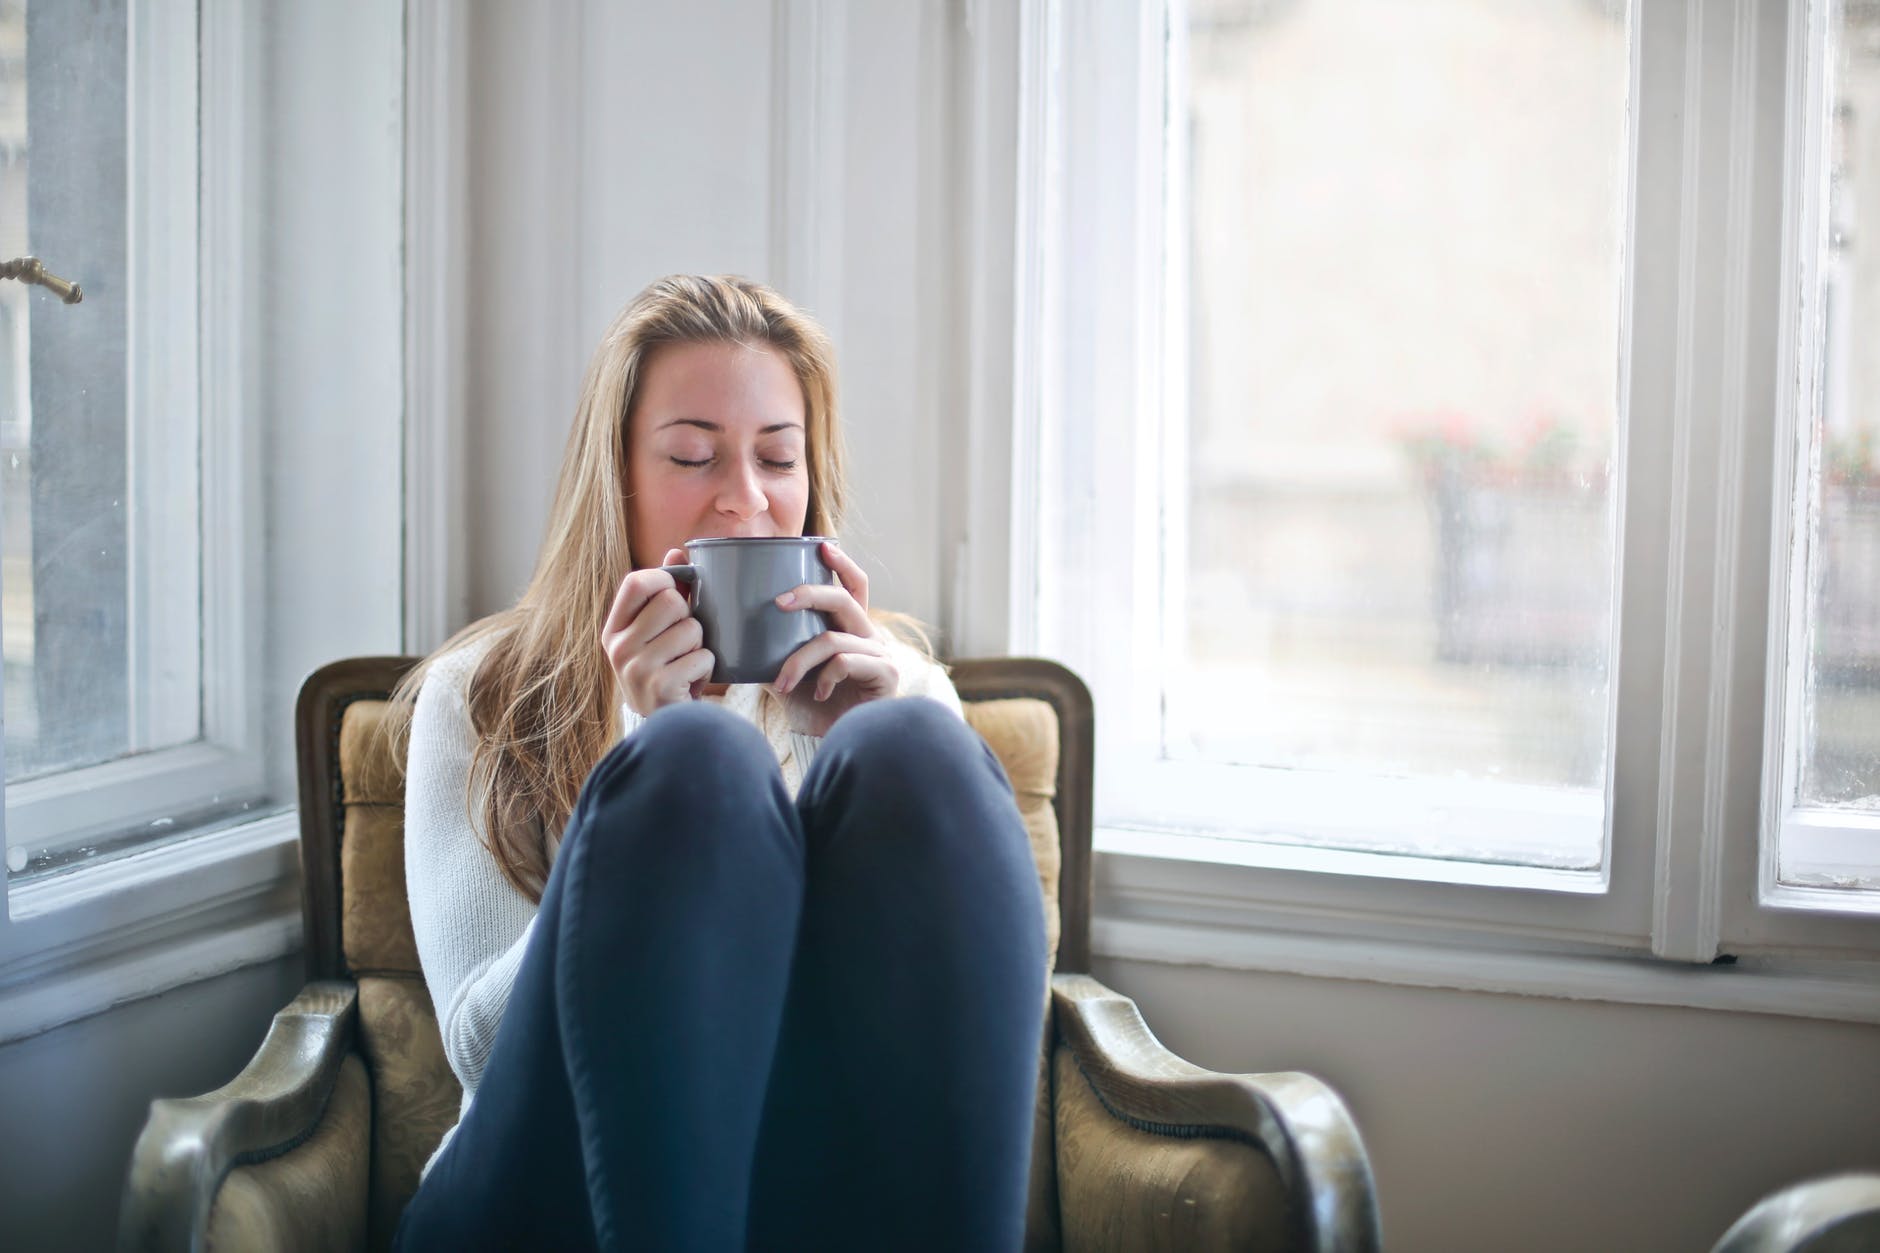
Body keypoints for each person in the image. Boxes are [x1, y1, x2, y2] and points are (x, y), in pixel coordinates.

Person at [386, 274, 1047, 1252]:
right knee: (696, 759)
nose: (745, 501)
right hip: (537, 1188)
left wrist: (842, 749)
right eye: (693, 456)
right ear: (615, 475)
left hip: (806, 1187)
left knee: (910, 745)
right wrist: (638, 751)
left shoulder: (897, 689)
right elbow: (482, 1050)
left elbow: (980, 1039)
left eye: (778, 458)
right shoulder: (480, 691)